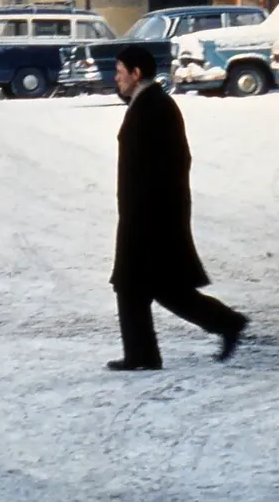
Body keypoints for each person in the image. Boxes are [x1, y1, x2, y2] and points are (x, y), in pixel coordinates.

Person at [106, 45, 248, 371]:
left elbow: (168, 163)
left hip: (151, 214)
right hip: (148, 212)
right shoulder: (148, 103)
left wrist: (149, 209)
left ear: (136, 73)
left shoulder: (154, 107)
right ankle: (223, 323)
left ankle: (146, 353)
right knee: (156, 286)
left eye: (120, 72)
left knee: (135, 284)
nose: (116, 78)